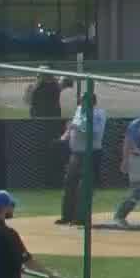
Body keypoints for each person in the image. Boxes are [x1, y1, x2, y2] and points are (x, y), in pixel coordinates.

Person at [56, 92, 107, 226]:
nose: (81, 104)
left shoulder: (98, 114)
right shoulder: (79, 110)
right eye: (81, 102)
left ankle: (81, 218)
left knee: (84, 187)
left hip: (91, 153)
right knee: (69, 184)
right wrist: (65, 136)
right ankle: (67, 215)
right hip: (76, 152)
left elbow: (93, 131)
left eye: (84, 102)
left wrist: (77, 125)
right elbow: (73, 125)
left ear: (91, 103)